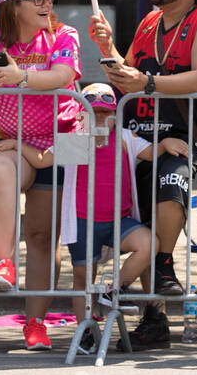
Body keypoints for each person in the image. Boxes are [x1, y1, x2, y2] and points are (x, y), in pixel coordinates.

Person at [89, 0, 197, 350]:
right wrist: (107, 49)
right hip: (141, 132)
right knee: (143, 221)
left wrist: (148, 84)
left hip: (180, 135)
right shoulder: (149, 21)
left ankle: (161, 266)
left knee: (171, 186)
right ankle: (154, 317)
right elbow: (125, 76)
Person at [0, 0, 82, 351]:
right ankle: (4, 264)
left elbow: (63, 75)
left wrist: (18, 76)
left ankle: (36, 323)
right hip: (5, 142)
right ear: (13, 5)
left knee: (44, 237)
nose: (47, 3)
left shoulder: (64, 34)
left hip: (58, 142)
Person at [67, 83, 157, 352]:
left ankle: (113, 289)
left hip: (120, 219)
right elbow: (44, 160)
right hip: (83, 221)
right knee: (82, 277)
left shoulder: (126, 137)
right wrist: (18, 146)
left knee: (148, 244)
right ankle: (84, 328)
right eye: (93, 113)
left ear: (116, 116)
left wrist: (167, 144)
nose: (100, 119)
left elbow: (151, 153)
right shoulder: (76, 138)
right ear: (81, 115)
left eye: (106, 113)